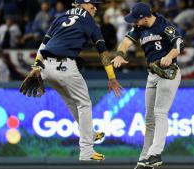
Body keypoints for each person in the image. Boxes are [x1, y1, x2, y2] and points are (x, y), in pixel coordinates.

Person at [20, 0, 122, 161]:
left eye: (96, 5)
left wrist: (36, 66)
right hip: (64, 67)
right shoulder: (89, 21)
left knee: (71, 101)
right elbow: (102, 52)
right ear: (81, 5)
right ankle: (87, 151)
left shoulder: (60, 16)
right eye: (92, 5)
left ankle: (89, 133)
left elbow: (44, 43)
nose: (95, 8)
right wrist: (112, 77)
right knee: (84, 104)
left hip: (46, 67)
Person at [111, 2, 184, 169]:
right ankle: (144, 158)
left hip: (168, 72)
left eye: (136, 20)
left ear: (144, 18)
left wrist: (170, 55)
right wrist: (120, 55)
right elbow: (124, 44)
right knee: (149, 119)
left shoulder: (164, 24)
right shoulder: (139, 28)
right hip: (152, 74)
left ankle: (155, 153)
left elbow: (179, 43)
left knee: (160, 112)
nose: (134, 22)